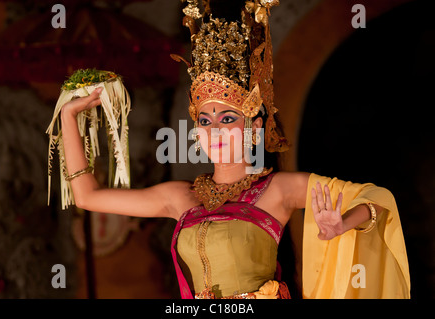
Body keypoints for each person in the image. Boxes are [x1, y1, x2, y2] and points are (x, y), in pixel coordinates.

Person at [58, 0, 410, 299]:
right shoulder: (180, 197)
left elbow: (376, 200)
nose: (215, 131)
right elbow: (87, 196)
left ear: (254, 128)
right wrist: (68, 116)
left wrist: (342, 223)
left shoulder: (277, 191)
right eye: (205, 122)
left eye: (227, 119)